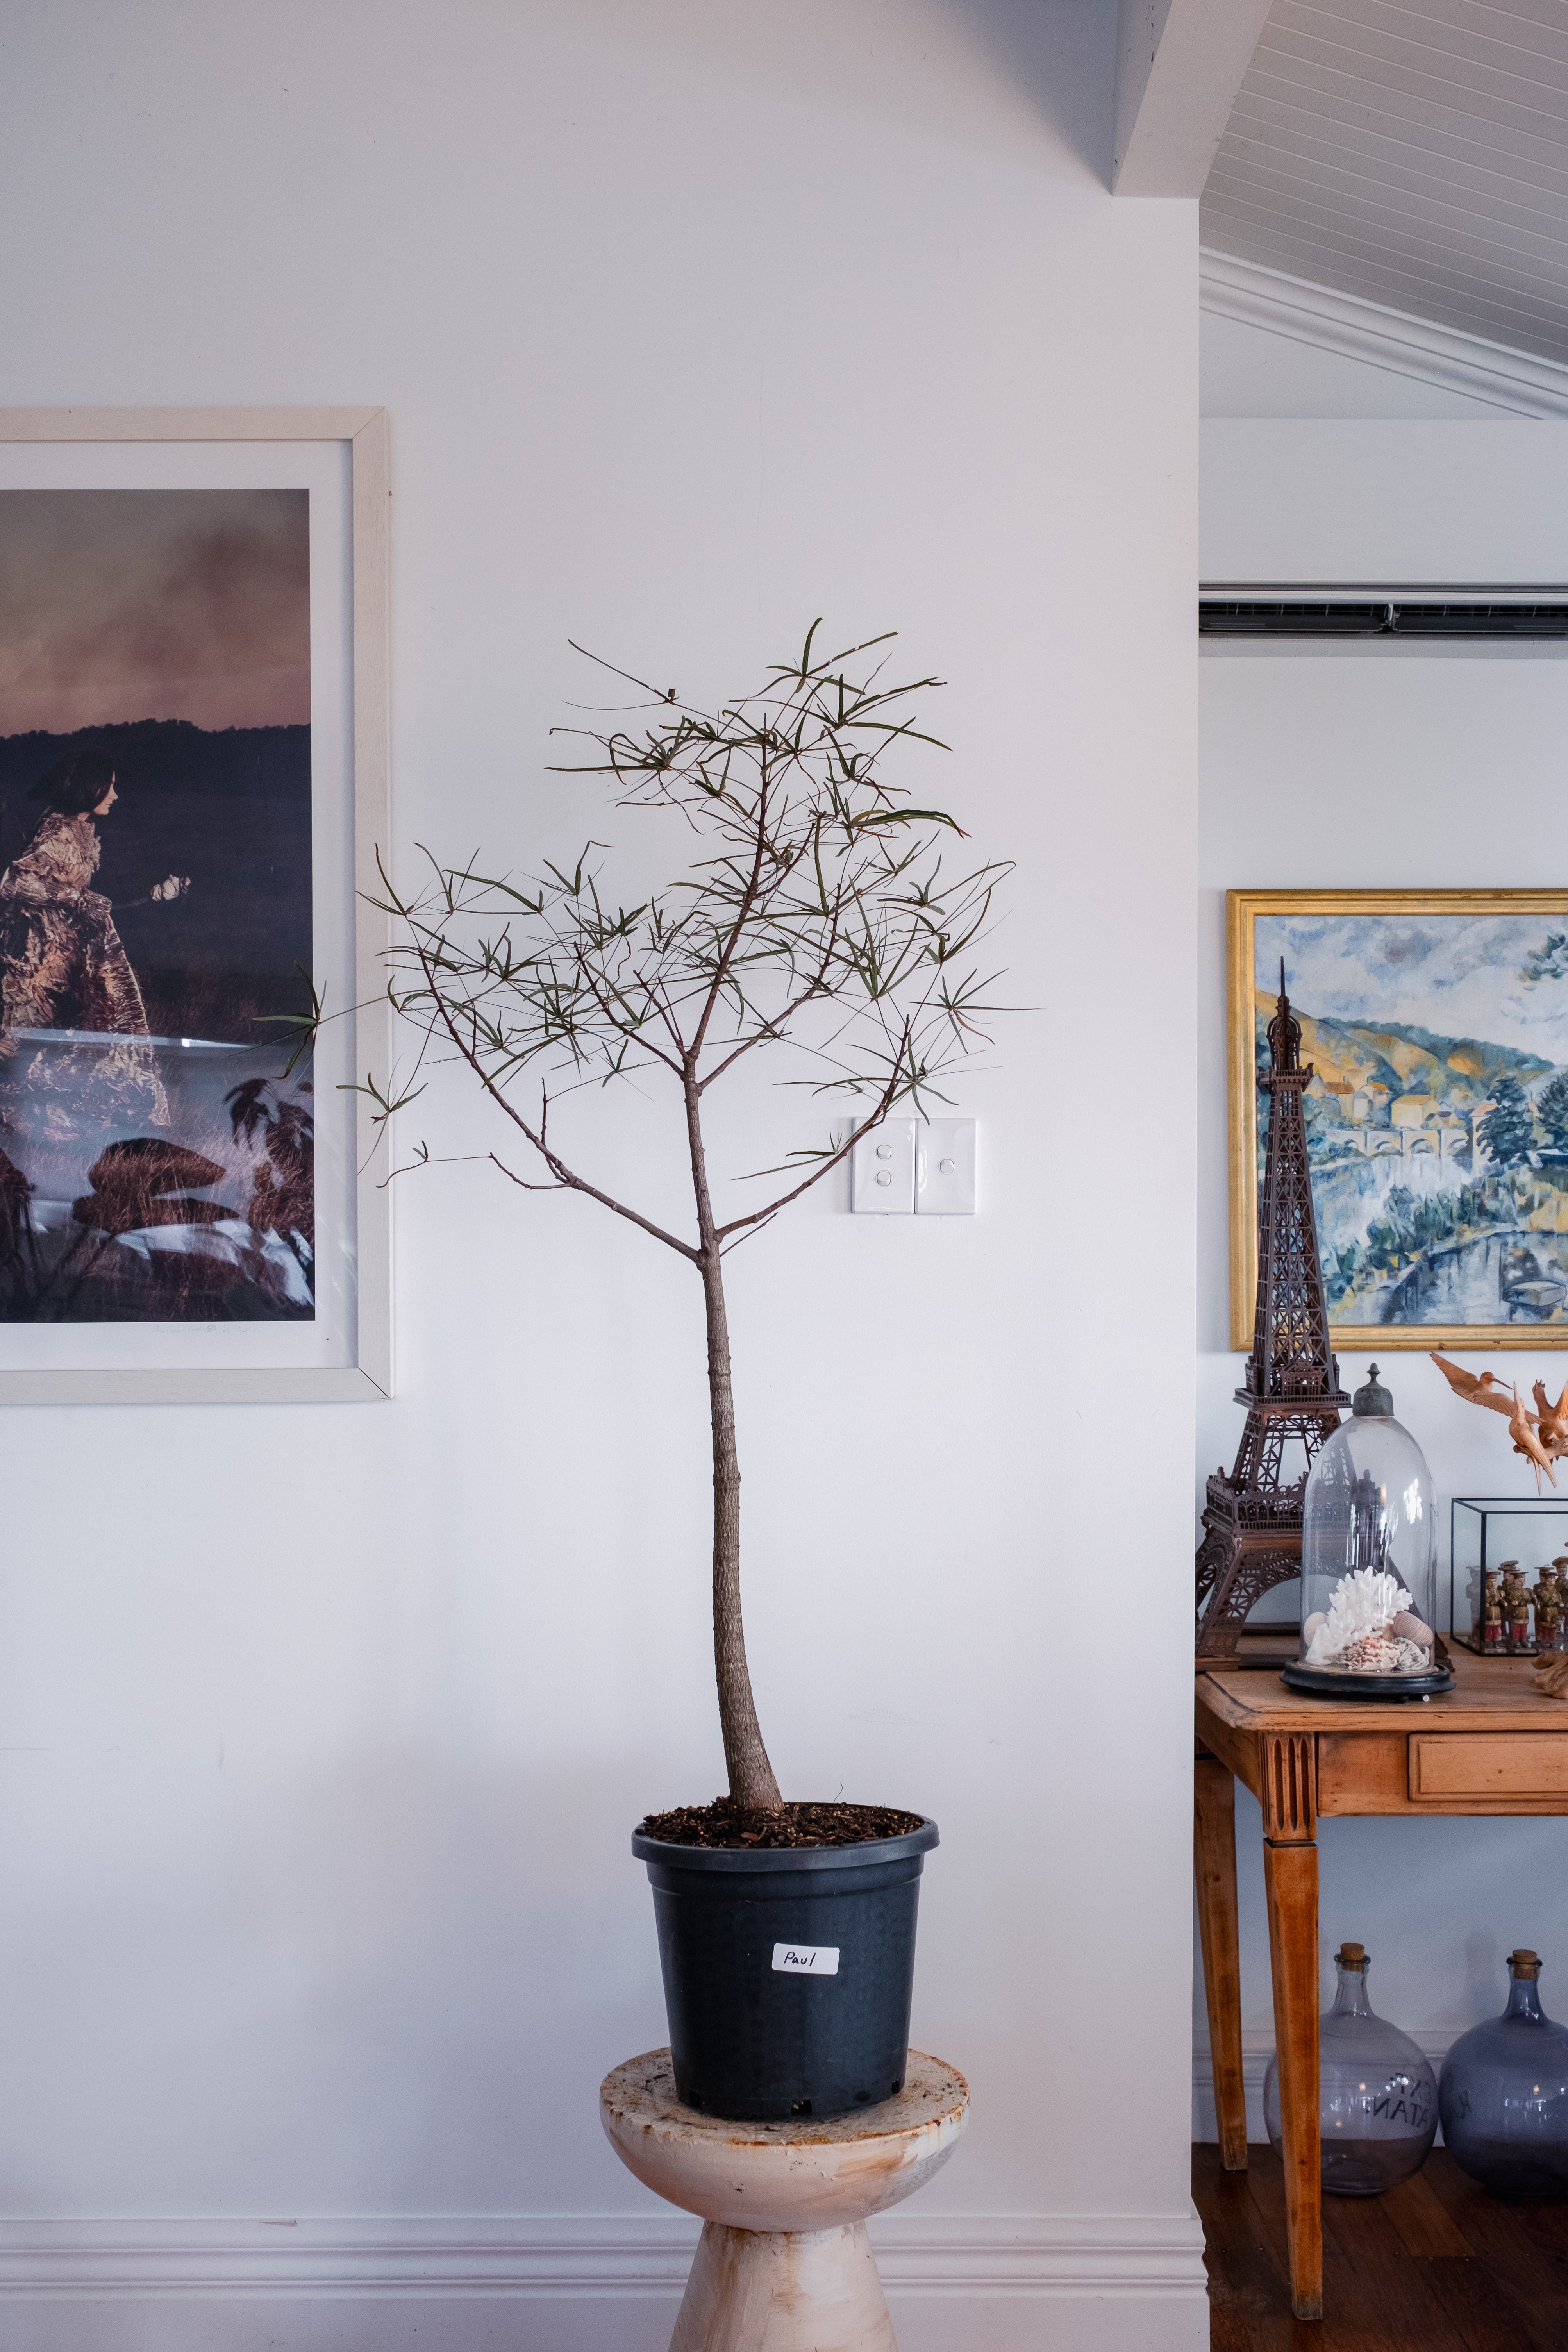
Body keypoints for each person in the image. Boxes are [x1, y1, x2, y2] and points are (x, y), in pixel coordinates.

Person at [0, 749, 189, 1139]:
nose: (116, 796)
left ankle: (69, 1124)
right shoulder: (59, 831)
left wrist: (152, 895)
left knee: (78, 1039)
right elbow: (15, 882)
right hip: (42, 963)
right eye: (111, 786)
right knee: (34, 1045)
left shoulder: (78, 829)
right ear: (91, 788)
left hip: (67, 957)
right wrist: (77, 900)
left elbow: (87, 895)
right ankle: (46, 1125)